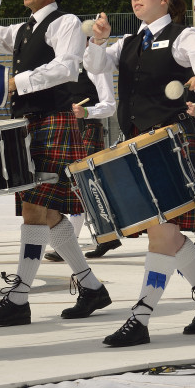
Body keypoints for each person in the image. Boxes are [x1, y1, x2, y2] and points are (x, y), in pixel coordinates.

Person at [0, 0, 110, 327]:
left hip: (53, 121)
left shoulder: (66, 22)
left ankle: (19, 297)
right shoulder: (24, 30)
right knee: (50, 214)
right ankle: (91, 288)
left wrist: (16, 82)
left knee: (33, 209)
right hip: (28, 124)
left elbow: (68, 66)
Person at [84, 0, 195, 347]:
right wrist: (98, 40)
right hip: (139, 146)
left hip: (171, 142)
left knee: (161, 233)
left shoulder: (185, 37)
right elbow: (93, 66)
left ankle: (141, 316)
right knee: (163, 233)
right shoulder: (128, 42)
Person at [46, 67, 118, 262]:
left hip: (88, 128)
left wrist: (87, 111)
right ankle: (108, 236)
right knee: (84, 186)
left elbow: (109, 105)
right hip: (69, 130)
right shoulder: (64, 65)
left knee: (81, 186)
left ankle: (69, 242)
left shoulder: (96, 65)